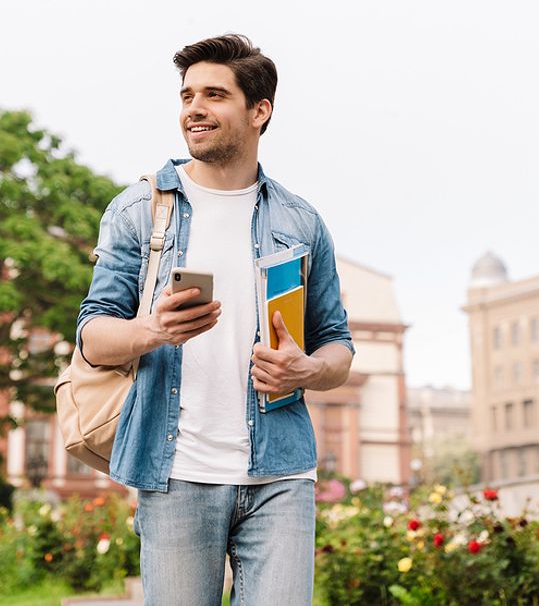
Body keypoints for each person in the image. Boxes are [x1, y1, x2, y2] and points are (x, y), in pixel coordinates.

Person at [76, 34, 354, 605]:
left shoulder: (301, 223)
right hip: (177, 469)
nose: (193, 109)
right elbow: (92, 337)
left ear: (259, 111)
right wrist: (152, 330)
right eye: (186, 95)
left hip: (280, 473)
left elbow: (338, 349)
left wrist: (305, 369)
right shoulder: (140, 210)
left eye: (213, 95)